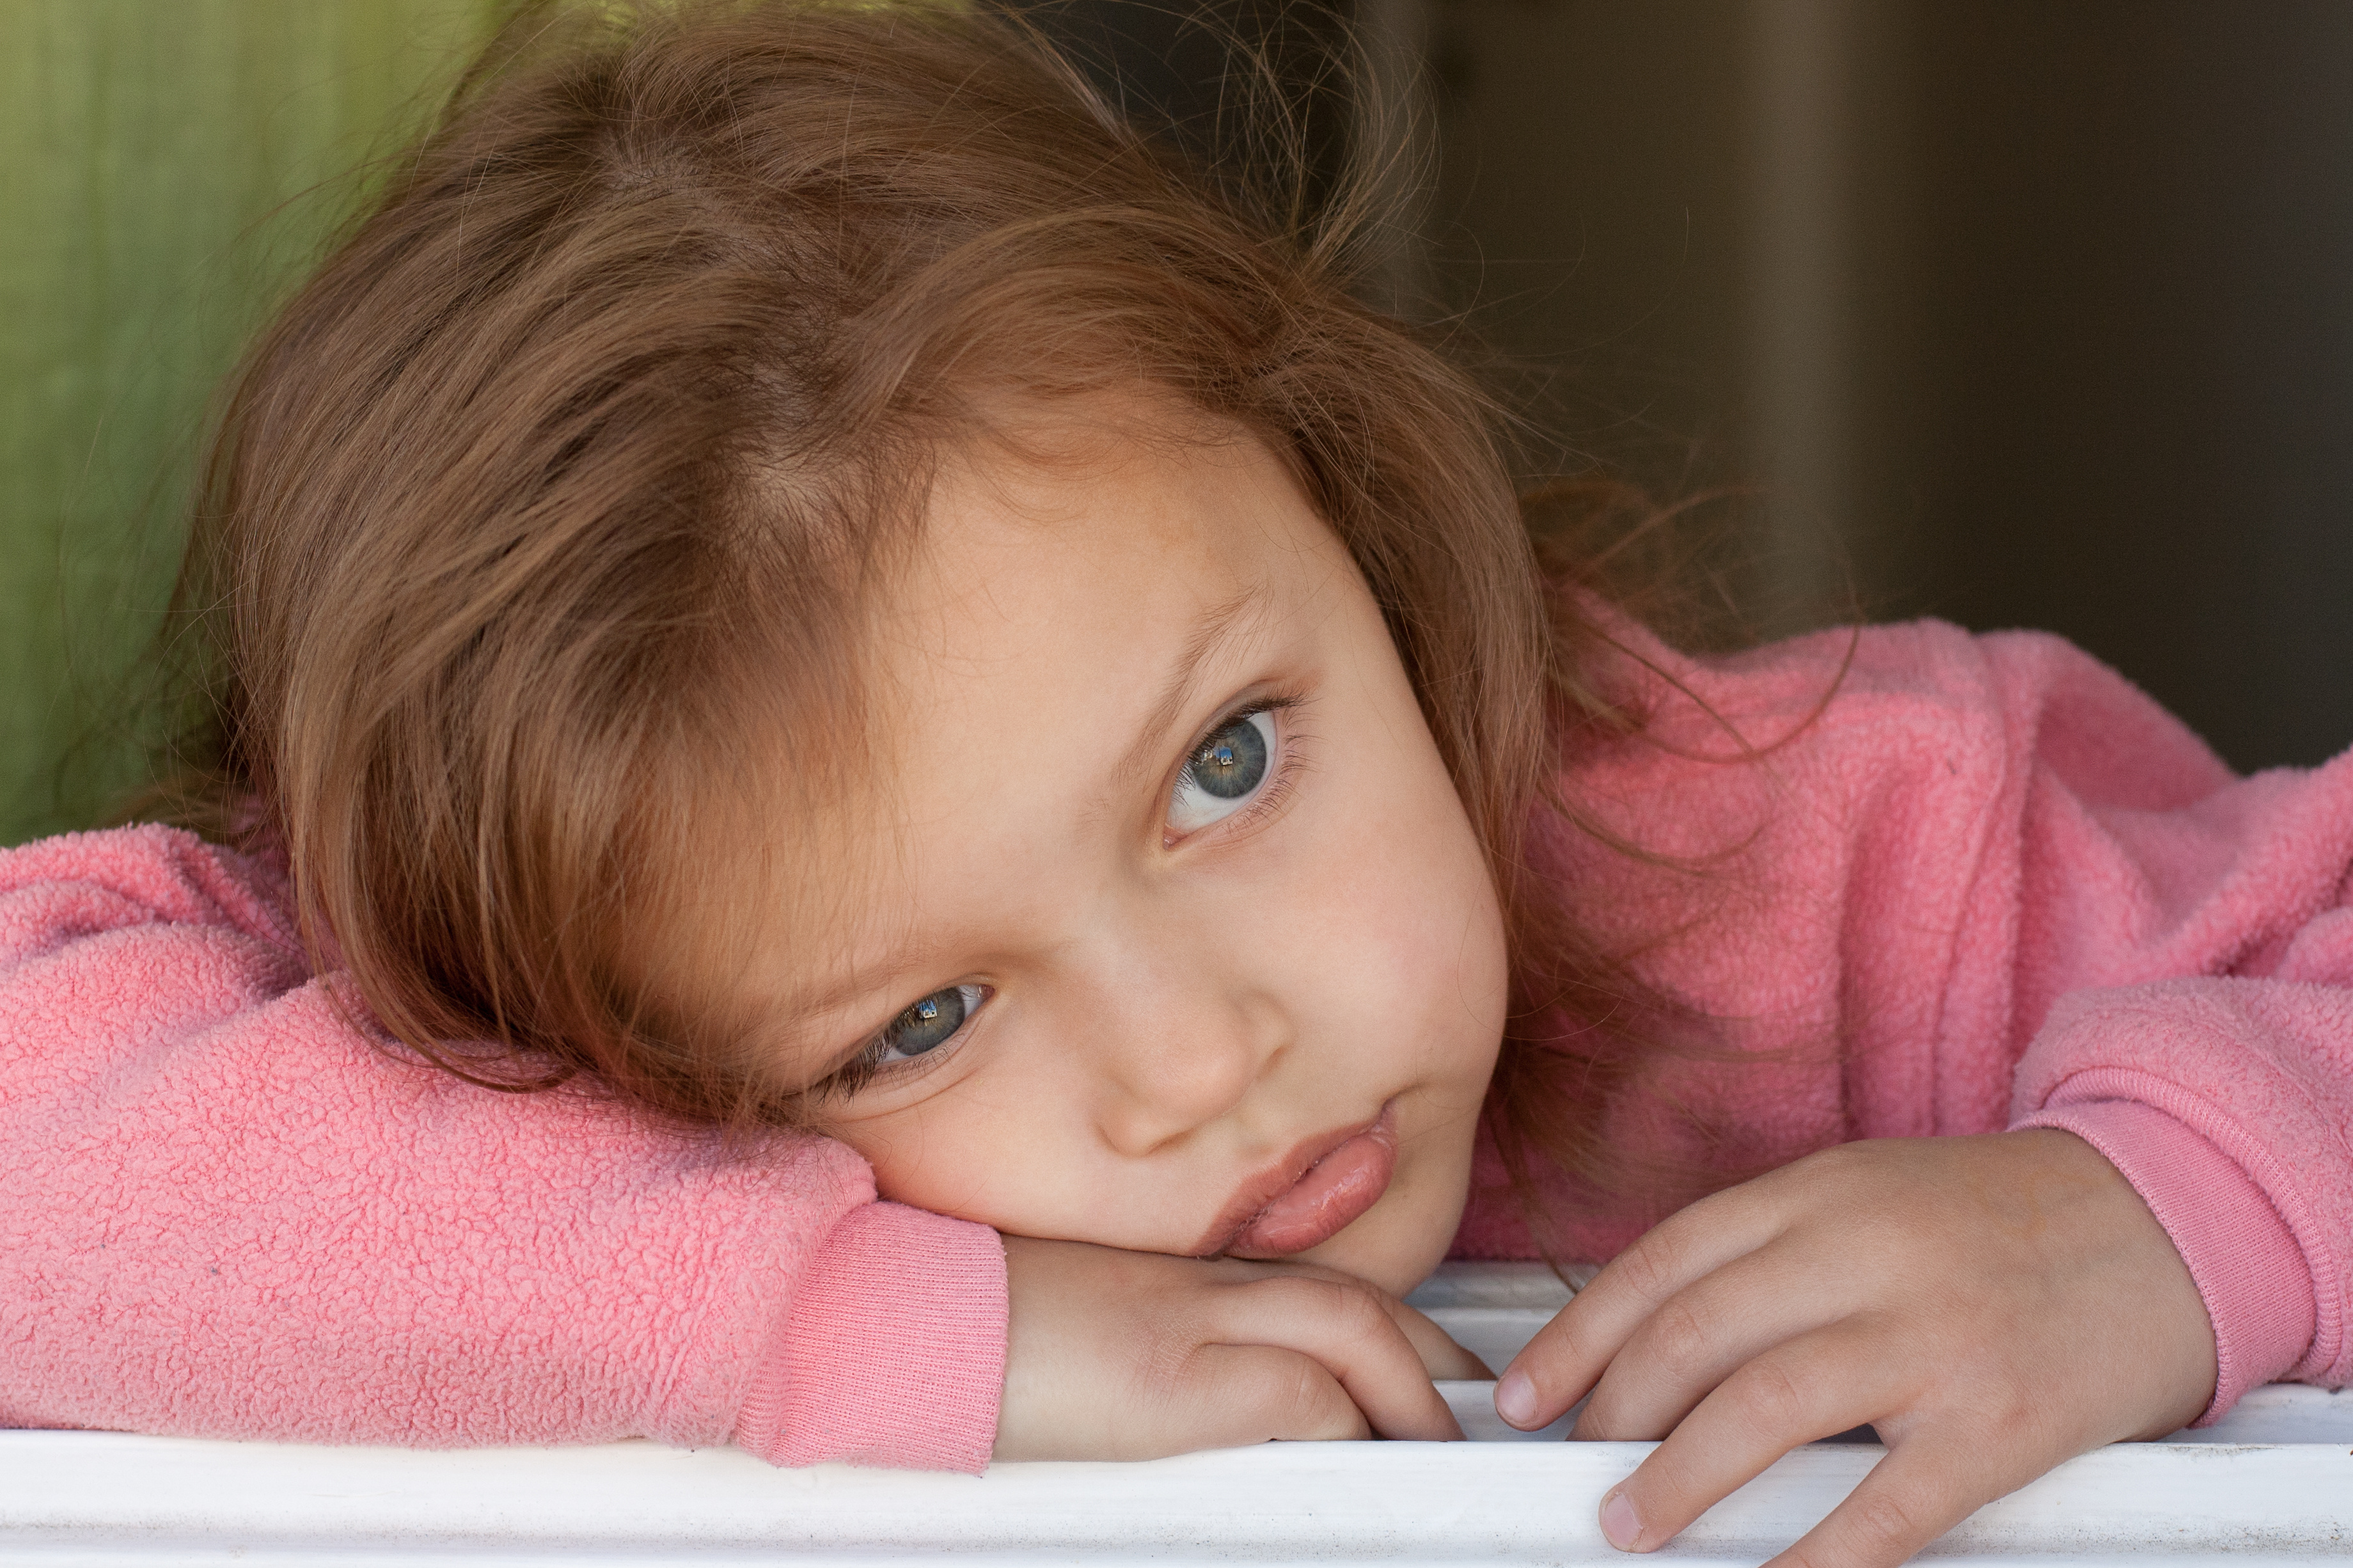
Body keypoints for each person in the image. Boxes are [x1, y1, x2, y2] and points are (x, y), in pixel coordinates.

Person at [3, 4, 2345, 1565]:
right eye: (918, 1022)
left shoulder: (1820, 839)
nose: (1203, 1059)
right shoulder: (559, 948)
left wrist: (2157, 1213)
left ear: (1348, 503)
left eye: (1226, 765)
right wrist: (921, 1325)